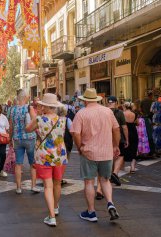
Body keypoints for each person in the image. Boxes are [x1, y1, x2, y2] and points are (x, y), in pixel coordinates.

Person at [70, 88, 120, 222]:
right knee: (105, 180)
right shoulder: (108, 111)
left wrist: (80, 147)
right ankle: (110, 203)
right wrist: (115, 145)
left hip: (89, 152)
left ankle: (91, 212)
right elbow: (116, 129)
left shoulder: (81, 113)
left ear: (85, 100)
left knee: (89, 182)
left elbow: (75, 133)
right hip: (106, 152)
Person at [25, 94, 68, 227]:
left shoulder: (39, 119)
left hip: (44, 156)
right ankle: (55, 207)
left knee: (47, 186)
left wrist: (36, 114)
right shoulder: (62, 119)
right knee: (57, 184)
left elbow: (27, 129)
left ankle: (51, 216)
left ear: (44, 106)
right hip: (60, 155)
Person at [9, 89, 40, 194]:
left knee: (18, 163)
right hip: (30, 138)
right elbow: (35, 122)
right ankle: (33, 186)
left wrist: (10, 138)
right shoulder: (28, 108)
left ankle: (18, 188)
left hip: (17, 138)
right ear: (26, 97)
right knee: (32, 163)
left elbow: (11, 126)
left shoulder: (12, 109)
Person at [108, 96, 128, 186]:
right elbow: (124, 127)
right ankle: (115, 173)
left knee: (110, 156)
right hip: (118, 137)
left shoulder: (104, 112)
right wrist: (127, 139)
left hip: (107, 138)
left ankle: (110, 175)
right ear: (116, 103)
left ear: (108, 102)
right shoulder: (120, 112)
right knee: (121, 155)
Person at [121, 101, 139, 173]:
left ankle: (121, 166)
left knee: (123, 148)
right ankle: (132, 168)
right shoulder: (135, 114)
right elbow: (138, 123)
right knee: (134, 148)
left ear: (124, 106)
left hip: (124, 132)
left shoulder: (122, 113)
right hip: (133, 132)